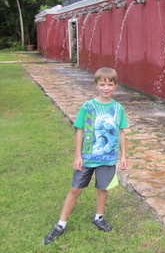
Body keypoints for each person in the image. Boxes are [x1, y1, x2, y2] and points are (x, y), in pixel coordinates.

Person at [44, 67, 128, 244]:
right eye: (102, 84)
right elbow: (80, 131)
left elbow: (121, 132)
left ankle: (99, 217)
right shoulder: (88, 107)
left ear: (115, 86)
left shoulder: (118, 108)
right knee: (76, 189)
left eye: (110, 85)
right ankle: (61, 223)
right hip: (88, 157)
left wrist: (123, 156)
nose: (106, 88)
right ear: (96, 85)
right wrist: (77, 156)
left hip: (108, 158)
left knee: (102, 188)